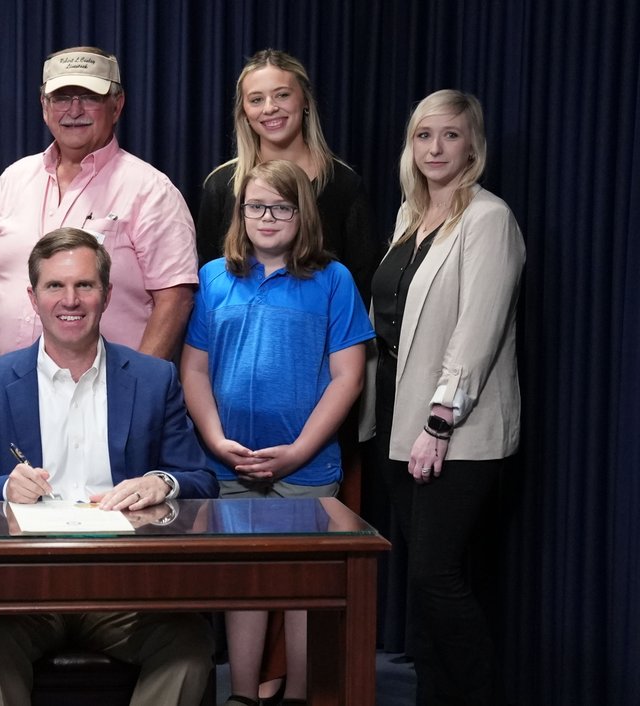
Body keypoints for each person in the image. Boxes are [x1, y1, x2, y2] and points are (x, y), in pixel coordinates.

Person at [0, 227, 219, 706]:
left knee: (189, 644)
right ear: (32, 297)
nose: (70, 300)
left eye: (84, 286)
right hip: (20, 592)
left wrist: (161, 482)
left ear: (107, 295)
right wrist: (5, 487)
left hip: (125, 590)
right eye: (55, 286)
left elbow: (201, 480)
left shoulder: (154, 379)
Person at [180, 160, 372, 706]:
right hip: (231, 462)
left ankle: (301, 695)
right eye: (256, 206)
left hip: (306, 467)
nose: (267, 217)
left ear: (302, 212)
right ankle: (242, 694)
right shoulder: (217, 276)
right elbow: (193, 369)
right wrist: (216, 440)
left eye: (281, 207)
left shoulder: (333, 281)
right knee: (246, 584)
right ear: (240, 213)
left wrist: (298, 452)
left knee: (303, 590)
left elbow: (348, 377)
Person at [370, 90, 523, 706]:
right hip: (396, 423)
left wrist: (439, 423)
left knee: (436, 577)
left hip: (456, 434)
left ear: (473, 144)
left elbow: (477, 331)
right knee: (425, 581)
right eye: (424, 135)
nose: (436, 148)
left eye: (451, 135)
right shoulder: (410, 217)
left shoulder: (489, 219)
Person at [0, 46, 198, 363]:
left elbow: (175, 300)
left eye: (90, 97)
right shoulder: (12, 180)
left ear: (117, 105)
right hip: (10, 393)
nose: (75, 110)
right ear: (44, 105)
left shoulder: (152, 191)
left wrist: (138, 388)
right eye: (62, 98)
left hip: (107, 394)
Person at [196, 49, 377, 301]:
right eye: (256, 99)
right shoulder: (221, 185)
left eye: (282, 95)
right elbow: (206, 283)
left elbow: (363, 284)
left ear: (304, 101)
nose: (270, 108)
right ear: (244, 112)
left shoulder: (343, 185)